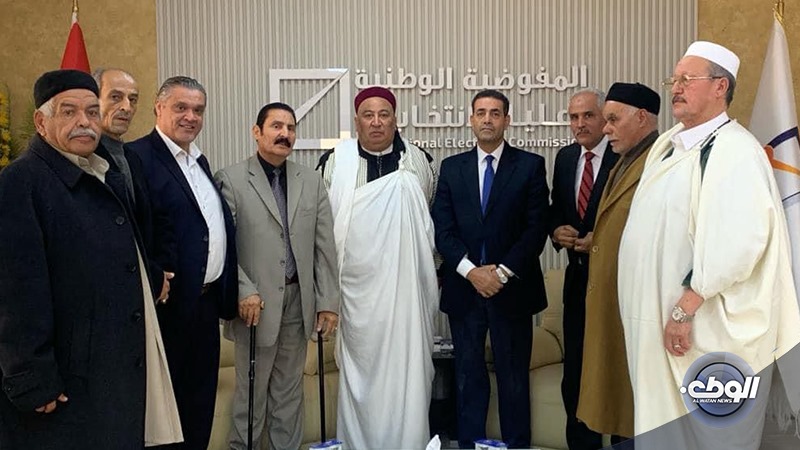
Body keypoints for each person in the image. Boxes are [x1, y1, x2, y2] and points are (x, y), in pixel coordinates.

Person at [618, 42, 800, 448]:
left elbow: (739, 245)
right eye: (674, 80)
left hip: (699, 329)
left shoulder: (735, 151)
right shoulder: (668, 144)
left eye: (688, 79)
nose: (677, 88)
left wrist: (684, 309)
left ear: (721, 87)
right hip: (657, 331)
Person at [0, 70, 181, 449]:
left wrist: (151, 276)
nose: (84, 122)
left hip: (112, 366)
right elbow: (16, 292)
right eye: (68, 112)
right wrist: (32, 378)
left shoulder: (102, 173)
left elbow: (122, 247)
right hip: (67, 380)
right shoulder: (20, 183)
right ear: (41, 122)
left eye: (91, 112)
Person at [317, 86, 439, 449]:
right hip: (355, 296)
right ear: (356, 121)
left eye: (384, 114)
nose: (376, 122)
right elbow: (323, 230)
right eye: (368, 115)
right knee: (361, 375)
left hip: (407, 295)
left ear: (395, 119)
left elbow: (429, 227)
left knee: (408, 372)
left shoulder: (419, 162)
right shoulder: (334, 163)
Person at [215, 102, 340, 450]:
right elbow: (223, 246)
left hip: (299, 302)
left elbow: (324, 247)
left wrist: (327, 301)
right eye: (276, 126)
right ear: (257, 132)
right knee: (252, 393)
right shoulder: (231, 179)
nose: (285, 134)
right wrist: (243, 290)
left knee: (289, 392)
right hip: (255, 305)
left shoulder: (311, 181)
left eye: (290, 128)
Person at [432, 89, 550, 448]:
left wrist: (499, 274)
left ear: (507, 120)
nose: (487, 119)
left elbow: (535, 229)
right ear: (471, 119)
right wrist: (472, 272)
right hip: (464, 290)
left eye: (495, 113)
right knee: (467, 379)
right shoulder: (451, 168)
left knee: (513, 379)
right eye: (481, 112)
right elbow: (443, 230)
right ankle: (470, 445)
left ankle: (516, 446)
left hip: (511, 290)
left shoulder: (529, 166)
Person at [128, 76, 238, 450]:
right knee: (165, 418)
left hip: (204, 306)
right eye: (181, 107)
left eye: (198, 110)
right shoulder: (138, 158)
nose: (191, 116)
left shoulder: (198, 160)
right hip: (167, 308)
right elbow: (134, 230)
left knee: (199, 409)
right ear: (158, 108)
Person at [575, 82, 660, 444]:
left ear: (641, 117)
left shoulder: (660, 164)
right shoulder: (624, 161)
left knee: (637, 417)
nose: (605, 128)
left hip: (641, 309)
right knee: (620, 416)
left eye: (613, 119)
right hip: (615, 304)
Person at [549, 88, 618, 450]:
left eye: (588, 115)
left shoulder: (623, 157)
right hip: (576, 282)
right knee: (575, 374)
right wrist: (555, 231)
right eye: (573, 117)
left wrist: (600, 241)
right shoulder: (565, 158)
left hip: (613, 284)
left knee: (616, 373)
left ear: (604, 117)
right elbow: (557, 209)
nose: (579, 124)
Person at [93, 67, 173, 303]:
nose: (126, 107)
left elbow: (147, 224)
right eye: (116, 97)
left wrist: (157, 273)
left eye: (133, 99)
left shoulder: (132, 157)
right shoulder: (84, 159)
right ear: (92, 100)